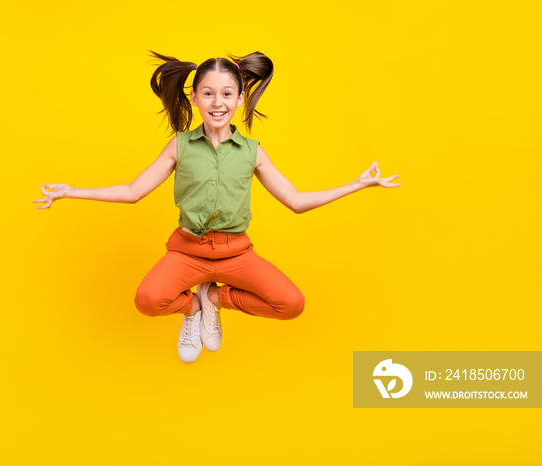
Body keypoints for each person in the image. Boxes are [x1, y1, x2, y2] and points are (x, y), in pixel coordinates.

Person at [33, 50, 400, 363]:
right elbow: (133, 191)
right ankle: (192, 309)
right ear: (194, 98)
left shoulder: (253, 153)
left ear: (240, 98)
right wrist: (71, 191)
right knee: (147, 300)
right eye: (208, 93)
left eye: (226, 93)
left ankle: (214, 297)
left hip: (235, 253)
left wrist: (356, 185)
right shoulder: (179, 145)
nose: (217, 102)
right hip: (188, 251)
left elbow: (297, 201)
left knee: (291, 304)